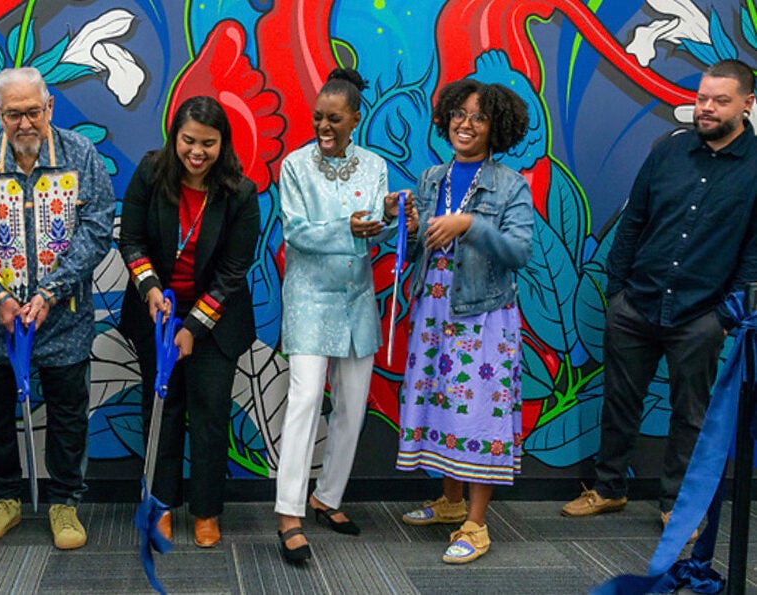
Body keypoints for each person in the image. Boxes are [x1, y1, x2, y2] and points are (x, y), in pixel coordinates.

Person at [561, 59, 757, 532]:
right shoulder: (668, 151)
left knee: (691, 415)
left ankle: (677, 505)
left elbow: (754, 250)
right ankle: (609, 489)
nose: (706, 108)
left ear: (747, 104)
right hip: (637, 305)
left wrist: (723, 318)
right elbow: (633, 223)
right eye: (702, 98)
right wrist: (617, 293)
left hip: (701, 316)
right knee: (619, 403)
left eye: (719, 101)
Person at [0, 67, 114, 550]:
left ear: (49, 108)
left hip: (64, 319)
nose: (24, 123)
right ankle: (4, 498)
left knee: (67, 413)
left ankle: (64, 502)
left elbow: (97, 231)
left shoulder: (82, 157)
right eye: (13, 113)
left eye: (33, 112)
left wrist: (51, 291)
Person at [395, 79, 532, 564]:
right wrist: (409, 228)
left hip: (483, 317)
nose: (465, 123)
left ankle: (476, 524)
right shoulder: (432, 178)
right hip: (433, 310)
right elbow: (421, 248)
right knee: (443, 407)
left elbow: (520, 251)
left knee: (478, 412)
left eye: (478, 116)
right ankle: (451, 504)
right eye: (459, 113)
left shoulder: (511, 185)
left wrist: (472, 225)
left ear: (498, 127)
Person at [118, 96, 260, 548]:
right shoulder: (149, 172)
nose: (197, 152)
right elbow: (132, 239)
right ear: (174, 137)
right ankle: (160, 504)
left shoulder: (240, 192)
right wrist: (150, 289)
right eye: (188, 141)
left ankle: (206, 511)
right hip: (154, 313)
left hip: (217, 323)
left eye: (208, 144)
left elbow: (233, 272)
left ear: (223, 144)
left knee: (210, 414)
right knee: (160, 410)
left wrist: (191, 329)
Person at [274, 68, 401, 564]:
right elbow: (297, 231)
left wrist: (389, 217)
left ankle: (327, 497)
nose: (324, 126)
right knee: (304, 401)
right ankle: (288, 513)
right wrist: (347, 227)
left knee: (352, 405)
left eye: (334, 119)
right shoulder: (294, 166)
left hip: (356, 301)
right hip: (309, 299)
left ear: (354, 118)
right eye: (318, 118)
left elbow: (376, 235)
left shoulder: (375, 166)